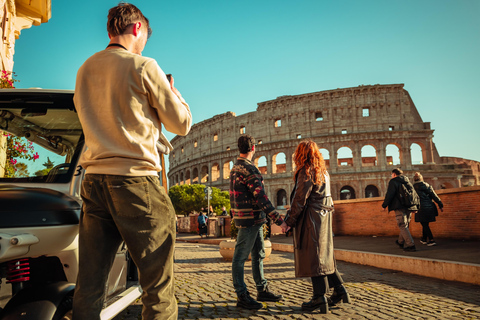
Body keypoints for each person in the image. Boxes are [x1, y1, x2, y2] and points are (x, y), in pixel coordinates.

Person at [72, 3, 192, 320]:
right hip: (135, 181)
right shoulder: (143, 65)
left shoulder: (84, 69)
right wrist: (174, 93)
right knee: (158, 288)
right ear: (137, 28)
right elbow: (180, 124)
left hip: (94, 182)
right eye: (144, 38)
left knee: (90, 286)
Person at [282, 140, 350, 314]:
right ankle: (339, 289)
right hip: (324, 217)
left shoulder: (306, 171)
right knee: (324, 255)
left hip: (311, 218)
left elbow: (299, 199)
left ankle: (319, 298)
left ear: (300, 154)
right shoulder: (323, 172)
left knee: (315, 257)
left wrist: (288, 221)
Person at [230, 134, 285, 309]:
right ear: (253, 148)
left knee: (258, 253)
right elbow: (260, 197)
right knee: (240, 257)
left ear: (240, 148)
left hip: (247, 218)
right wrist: (278, 219)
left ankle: (262, 289)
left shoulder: (235, 168)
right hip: (251, 219)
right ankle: (242, 295)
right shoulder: (249, 169)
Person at [382, 168, 419, 252]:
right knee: (405, 225)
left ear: (394, 174)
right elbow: (415, 195)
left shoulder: (393, 181)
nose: (391, 176)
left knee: (402, 225)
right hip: (409, 206)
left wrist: (384, 205)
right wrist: (416, 206)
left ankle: (411, 245)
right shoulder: (407, 181)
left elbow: (390, 194)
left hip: (399, 206)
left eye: (392, 174)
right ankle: (400, 241)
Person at [413, 172, 444, 246]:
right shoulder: (427, 185)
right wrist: (440, 205)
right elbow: (434, 196)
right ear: (421, 178)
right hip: (430, 206)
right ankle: (423, 239)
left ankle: (431, 240)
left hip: (420, 208)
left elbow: (411, 199)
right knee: (425, 223)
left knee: (424, 224)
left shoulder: (412, 188)